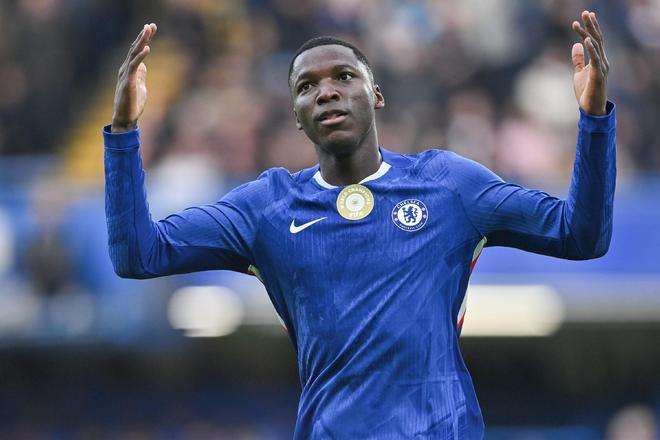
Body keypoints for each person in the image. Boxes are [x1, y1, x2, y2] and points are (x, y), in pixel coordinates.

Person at [103, 10, 615, 439]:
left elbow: (580, 234)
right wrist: (124, 132)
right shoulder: (267, 208)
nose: (326, 92)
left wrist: (594, 120)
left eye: (344, 77)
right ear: (296, 114)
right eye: (307, 86)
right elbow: (139, 254)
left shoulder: (449, 185)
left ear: (377, 94)